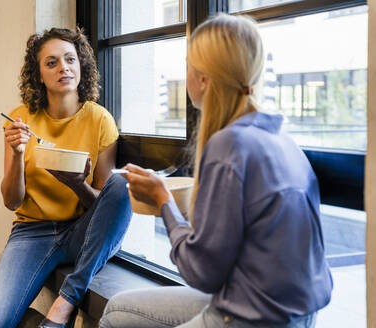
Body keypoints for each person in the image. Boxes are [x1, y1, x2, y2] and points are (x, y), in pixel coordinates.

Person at [99, 14, 332, 328]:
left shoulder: (228, 145)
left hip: (251, 317)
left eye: (188, 64)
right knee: (117, 310)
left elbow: (201, 273)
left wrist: (163, 202)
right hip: (294, 312)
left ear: (204, 78)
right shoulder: (281, 138)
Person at [0, 27, 132, 328]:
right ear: (38, 74)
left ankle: (66, 301)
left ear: (81, 66)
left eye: (70, 59)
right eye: (51, 62)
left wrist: (76, 184)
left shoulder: (99, 118)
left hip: (81, 231)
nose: (63, 67)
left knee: (122, 182)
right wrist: (17, 152)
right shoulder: (21, 118)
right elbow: (11, 201)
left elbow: (105, 207)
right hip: (31, 233)